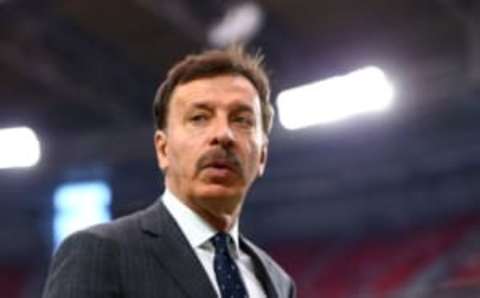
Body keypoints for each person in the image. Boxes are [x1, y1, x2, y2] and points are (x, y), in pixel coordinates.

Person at [42, 46, 296, 298]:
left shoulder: (278, 282)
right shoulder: (99, 253)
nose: (223, 135)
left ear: (262, 155)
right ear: (163, 150)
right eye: (199, 118)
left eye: (242, 120)